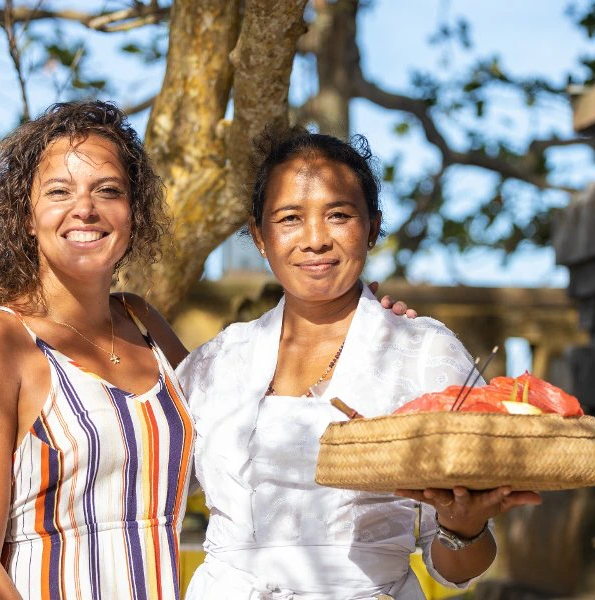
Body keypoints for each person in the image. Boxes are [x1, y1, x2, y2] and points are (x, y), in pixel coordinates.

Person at [177, 130, 542, 599]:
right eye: (290, 218)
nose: (314, 240)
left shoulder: (423, 353)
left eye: (338, 216)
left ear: (372, 227)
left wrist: (464, 527)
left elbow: (458, 569)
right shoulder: (216, 362)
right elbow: (146, 494)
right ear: (259, 237)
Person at [0, 100, 193, 599]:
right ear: (26, 217)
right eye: (59, 191)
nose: (85, 208)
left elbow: (244, 440)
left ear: (132, 213)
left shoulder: (146, 323)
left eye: (108, 191)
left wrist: (361, 323)